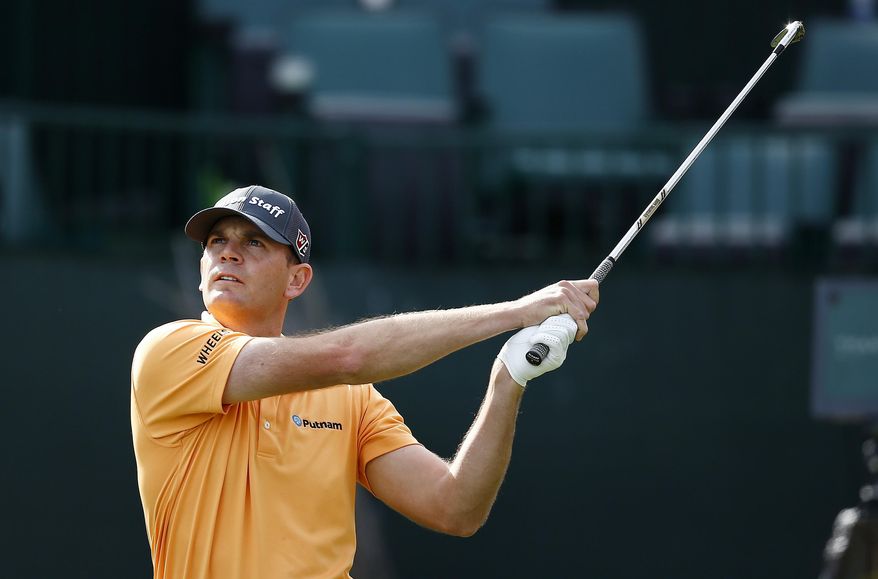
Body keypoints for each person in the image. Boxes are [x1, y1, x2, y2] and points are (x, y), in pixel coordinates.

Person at [131, 185, 599, 579]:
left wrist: (507, 381)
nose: (228, 251)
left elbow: (454, 507)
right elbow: (348, 356)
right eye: (217, 241)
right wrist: (517, 312)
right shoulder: (169, 351)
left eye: (254, 242)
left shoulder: (349, 400)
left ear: (297, 280)